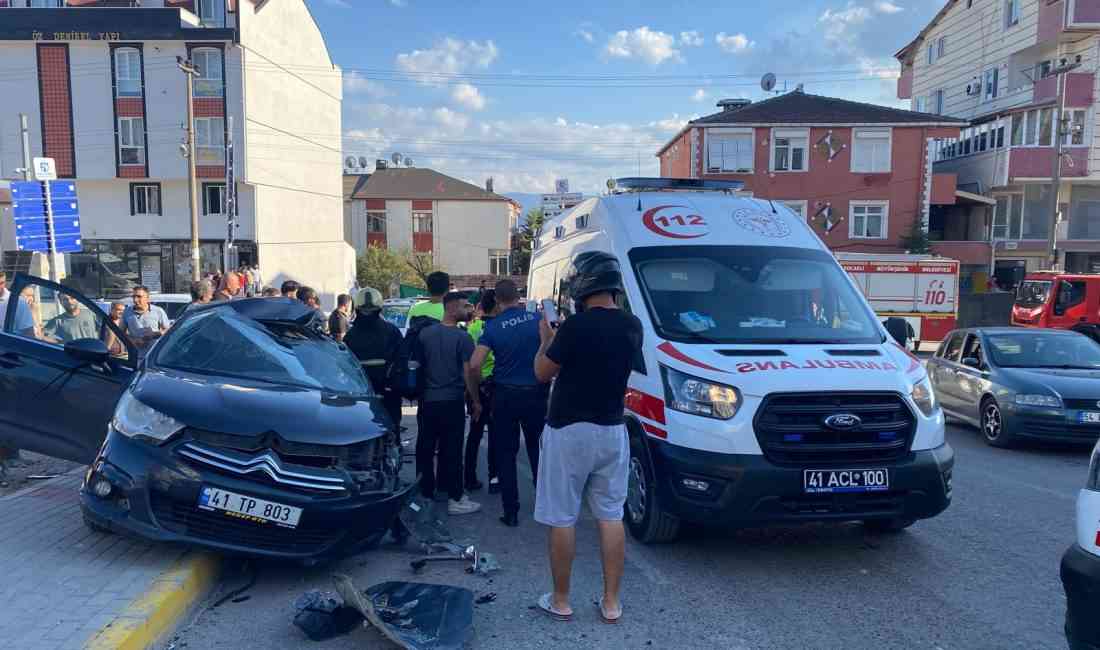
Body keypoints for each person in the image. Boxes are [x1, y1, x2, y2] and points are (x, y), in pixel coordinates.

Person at [530, 252, 642, 624]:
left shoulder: (574, 327)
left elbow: (543, 373)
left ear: (582, 285)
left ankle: (561, 600)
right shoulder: (632, 325)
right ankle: (612, 603)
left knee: (563, 517)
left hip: (568, 430)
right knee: (610, 516)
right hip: (612, 429)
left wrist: (547, 339)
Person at [468, 279, 546, 527]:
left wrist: (478, 389)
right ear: (519, 296)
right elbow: (553, 347)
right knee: (536, 448)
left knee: (505, 451)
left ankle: (510, 511)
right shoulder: (537, 320)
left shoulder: (492, 328)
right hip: (535, 392)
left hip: (504, 395)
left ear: (498, 301)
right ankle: (545, 504)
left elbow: (474, 364)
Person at [417, 291, 482, 515]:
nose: (469, 310)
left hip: (427, 400)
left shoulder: (425, 334)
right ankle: (455, 498)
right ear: (452, 309)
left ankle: (424, 494)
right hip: (452, 401)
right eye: (465, 306)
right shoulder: (463, 338)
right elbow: (469, 372)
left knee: (425, 449)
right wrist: (476, 400)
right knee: (452, 450)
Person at [344, 287, 404, 431]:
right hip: (388, 387)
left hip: (361, 389)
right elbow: (401, 357)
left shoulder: (350, 335)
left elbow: (345, 364)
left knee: (361, 427)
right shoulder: (392, 331)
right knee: (391, 424)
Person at [464, 289, 499, 493]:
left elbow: (469, 364)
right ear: (496, 306)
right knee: (496, 434)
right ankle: (494, 478)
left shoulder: (472, 328)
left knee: (474, 434)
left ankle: (469, 477)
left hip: (475, 387)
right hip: (495, 387)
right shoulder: (501, 327)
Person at [124, 285, 170, 355]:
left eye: (139, 297)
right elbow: (120, 333)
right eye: (133, 297)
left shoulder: (158, 311)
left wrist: (154, 334)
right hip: (135, 356)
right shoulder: (127, 312)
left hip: (153, 356)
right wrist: (134, 340)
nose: (135, 300)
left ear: (147, 299)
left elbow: (168, 330)